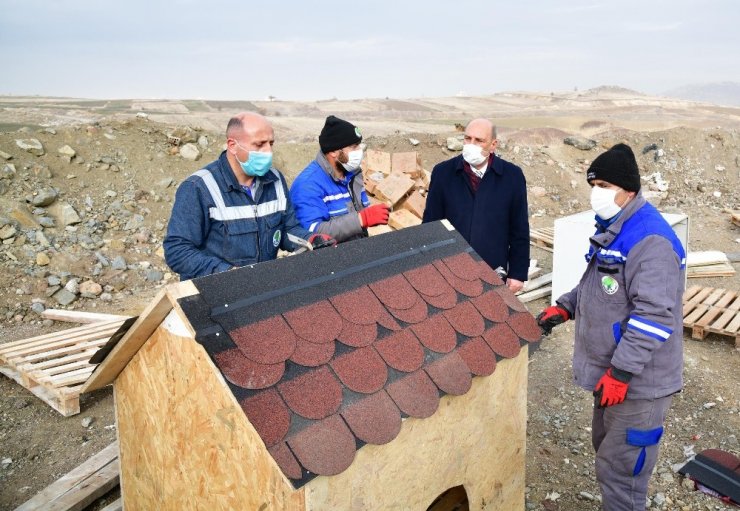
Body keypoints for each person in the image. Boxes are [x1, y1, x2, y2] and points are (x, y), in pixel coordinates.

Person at [536, 143, 686, 511]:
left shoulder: (649, 240)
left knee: (623, 474)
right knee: (606, 451)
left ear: (628, 190)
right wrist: (565, 307)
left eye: (604, 184)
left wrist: (620, 373)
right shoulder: (615, 228)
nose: (596, 192)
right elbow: (599, 286)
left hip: (638, 383)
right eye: (594, 183)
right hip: (614, 377)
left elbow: (653, 316)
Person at [163, 112, 333, 280]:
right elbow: (177, 251)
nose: (268, 152)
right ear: (232, 145)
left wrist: (310, 239)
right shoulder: (199, 188)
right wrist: (227, 273)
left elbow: (288, 229)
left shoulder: (275, 180)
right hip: (213, 291)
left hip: (258, 286)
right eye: (259, 145)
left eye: (271, 144)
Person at [422, 118, 529, 292]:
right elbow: (430, 225)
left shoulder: (512, 176)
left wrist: (517, 273)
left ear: (493, 145)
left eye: (479, 140)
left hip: (492, 269)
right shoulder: (443, 173)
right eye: (467, 138)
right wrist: (428, 268)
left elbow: (519, 229)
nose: (471, 144)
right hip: (450, 270)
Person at [290, 115, 389, 242]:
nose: (359, 151)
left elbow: (358, 212)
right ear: (333, 152)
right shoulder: (307, 185)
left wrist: (373, 215)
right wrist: (361, 219)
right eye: (353, 147)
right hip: (330, 259)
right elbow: (312, 233)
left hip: (357, 251)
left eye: (359, 145)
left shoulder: (353, 174)